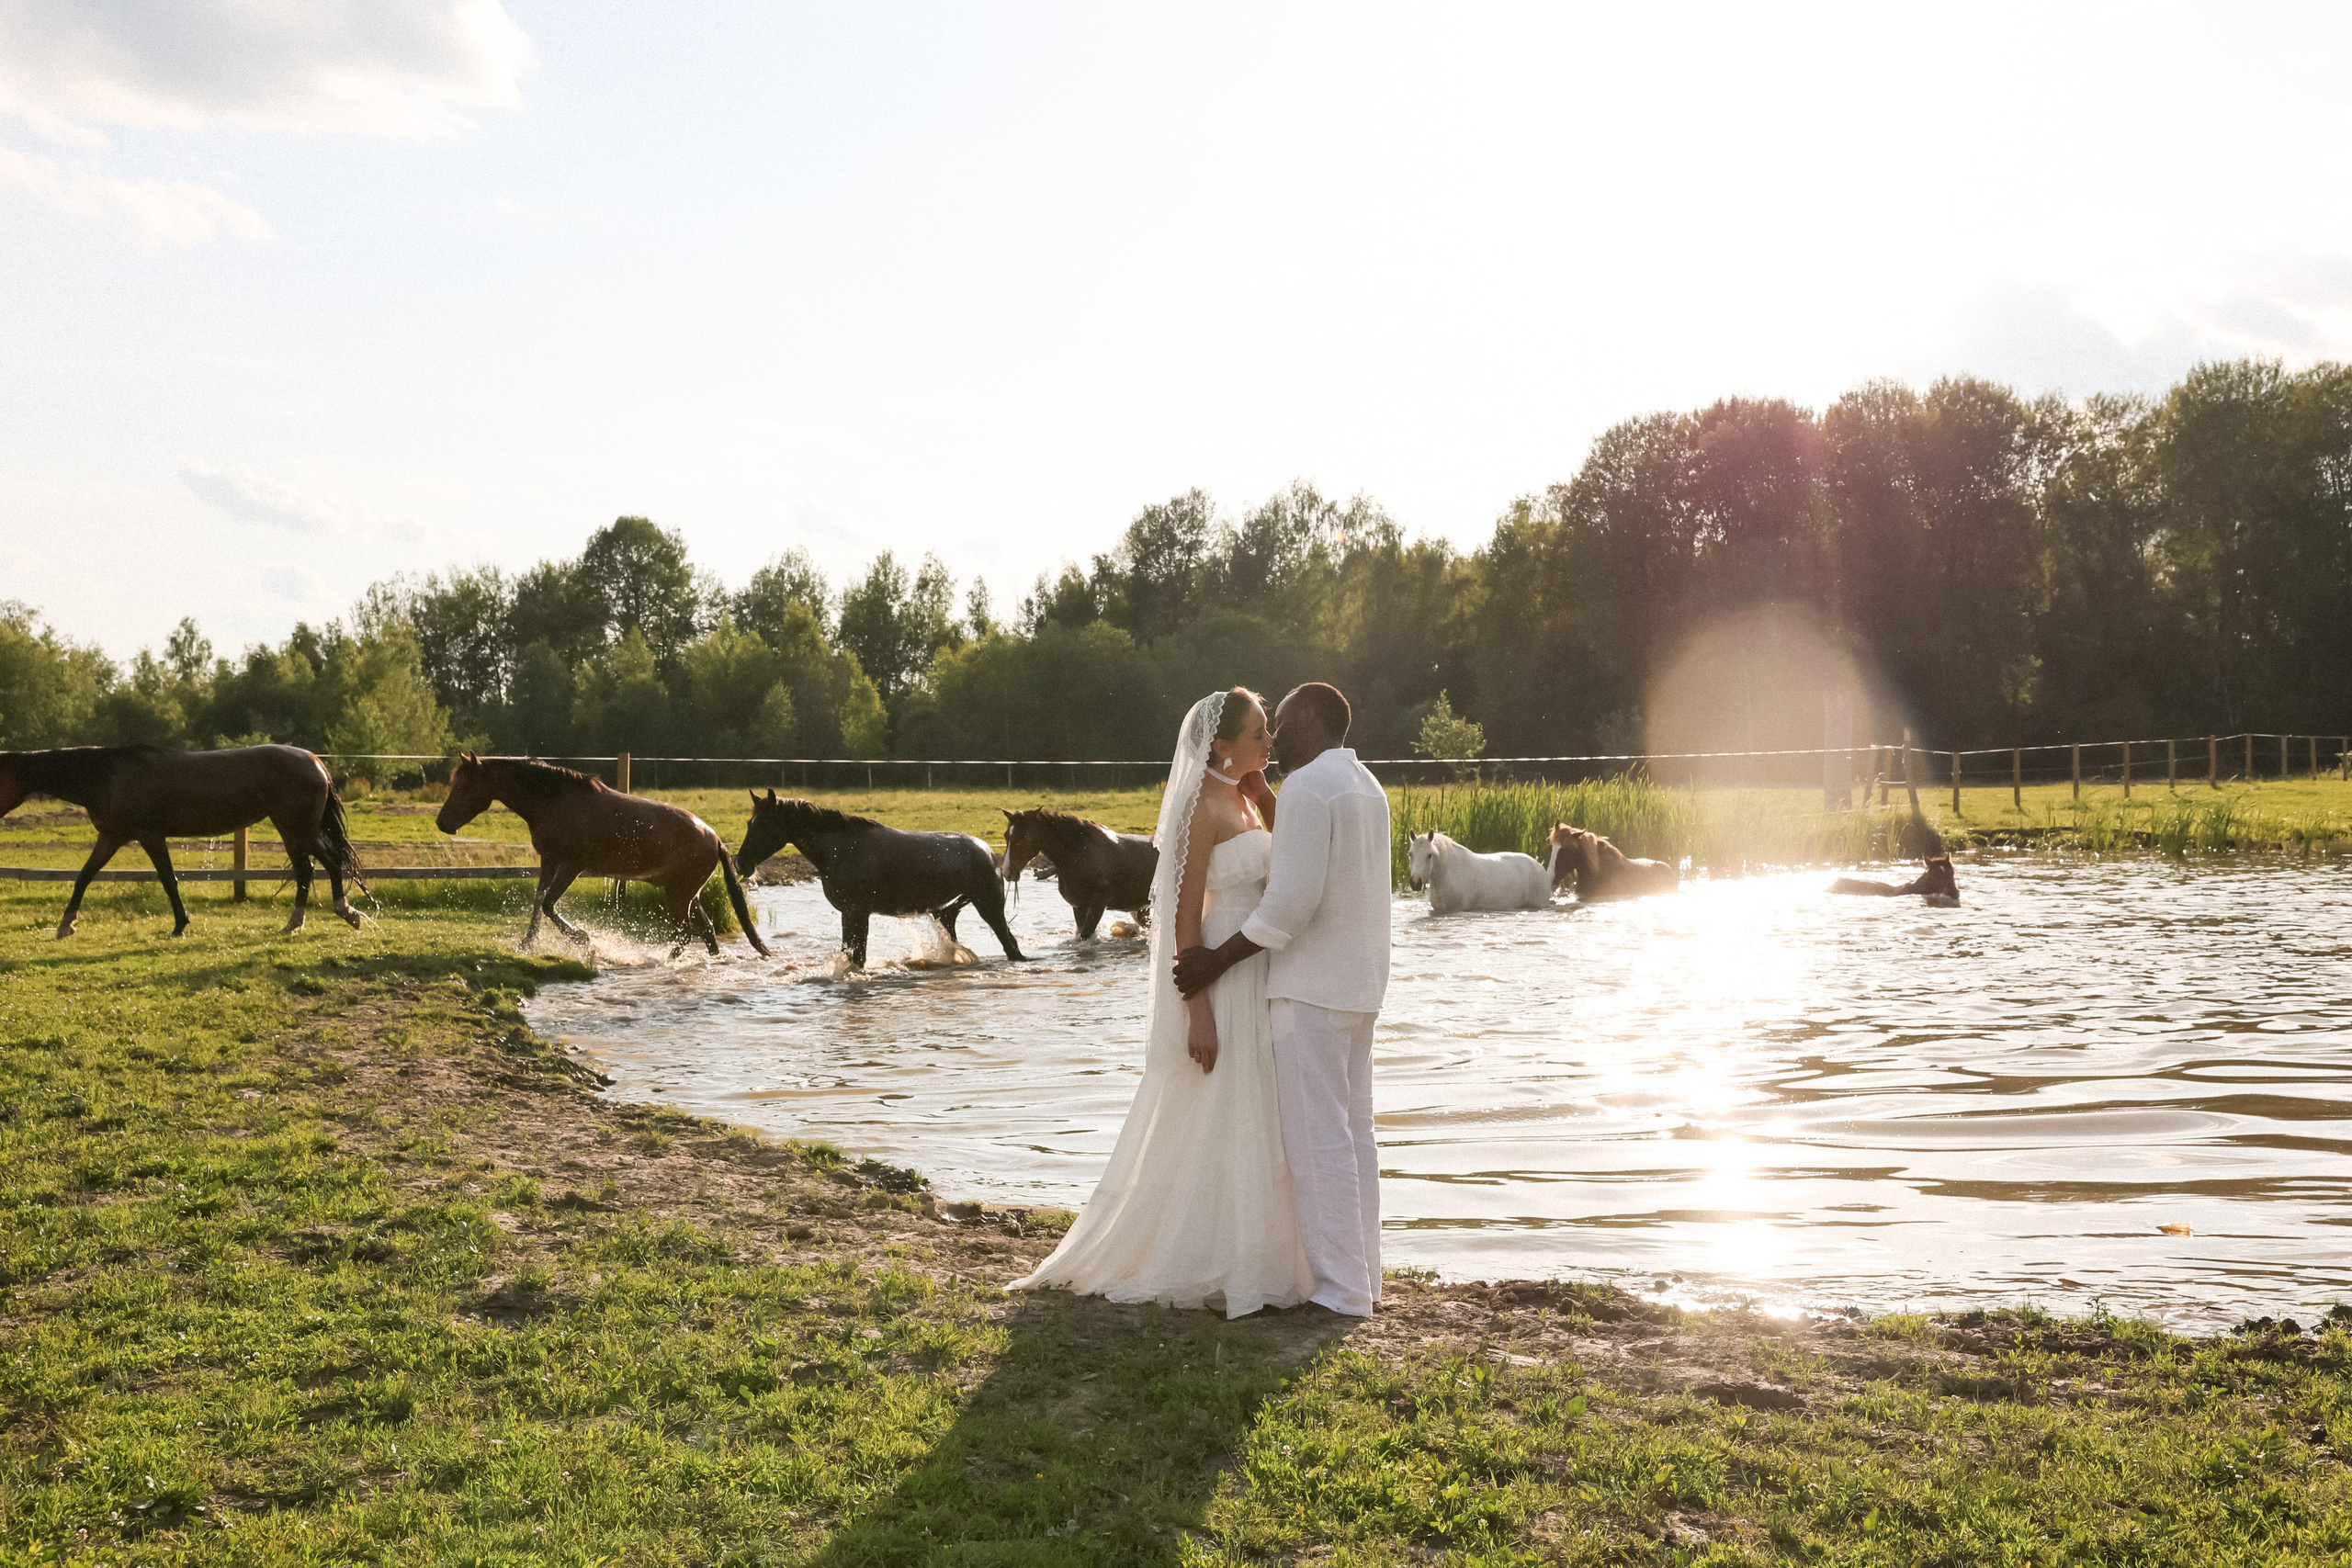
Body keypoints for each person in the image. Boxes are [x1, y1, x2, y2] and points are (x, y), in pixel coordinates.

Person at [1008, 688, 1312, 1316]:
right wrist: (1196, 1007)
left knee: (1253, 1105)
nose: (1269, 742)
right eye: (1259, 732)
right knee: (1218, 1103)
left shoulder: (1244, 798)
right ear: (1222, 745)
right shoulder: (1199, 807)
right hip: (1219, 975)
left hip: (1255, 970)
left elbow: (1289, 867)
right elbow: (1181, 917)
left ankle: (1254, 1248)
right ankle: (1203, 1253)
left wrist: (1264, 798)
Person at [1174, 682, 1392, 1317]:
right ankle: (1365, 1277)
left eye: (1286, 723)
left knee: (1316, 1139)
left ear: (1316, 720)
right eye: (1267, 729)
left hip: (1309, 989)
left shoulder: (1305, 788)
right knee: (1355, 1135)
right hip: (1361, 984)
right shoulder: (1366, 787)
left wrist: (1215, 959)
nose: (1277, 739)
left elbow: (1289, 907)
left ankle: (1341, 1291)